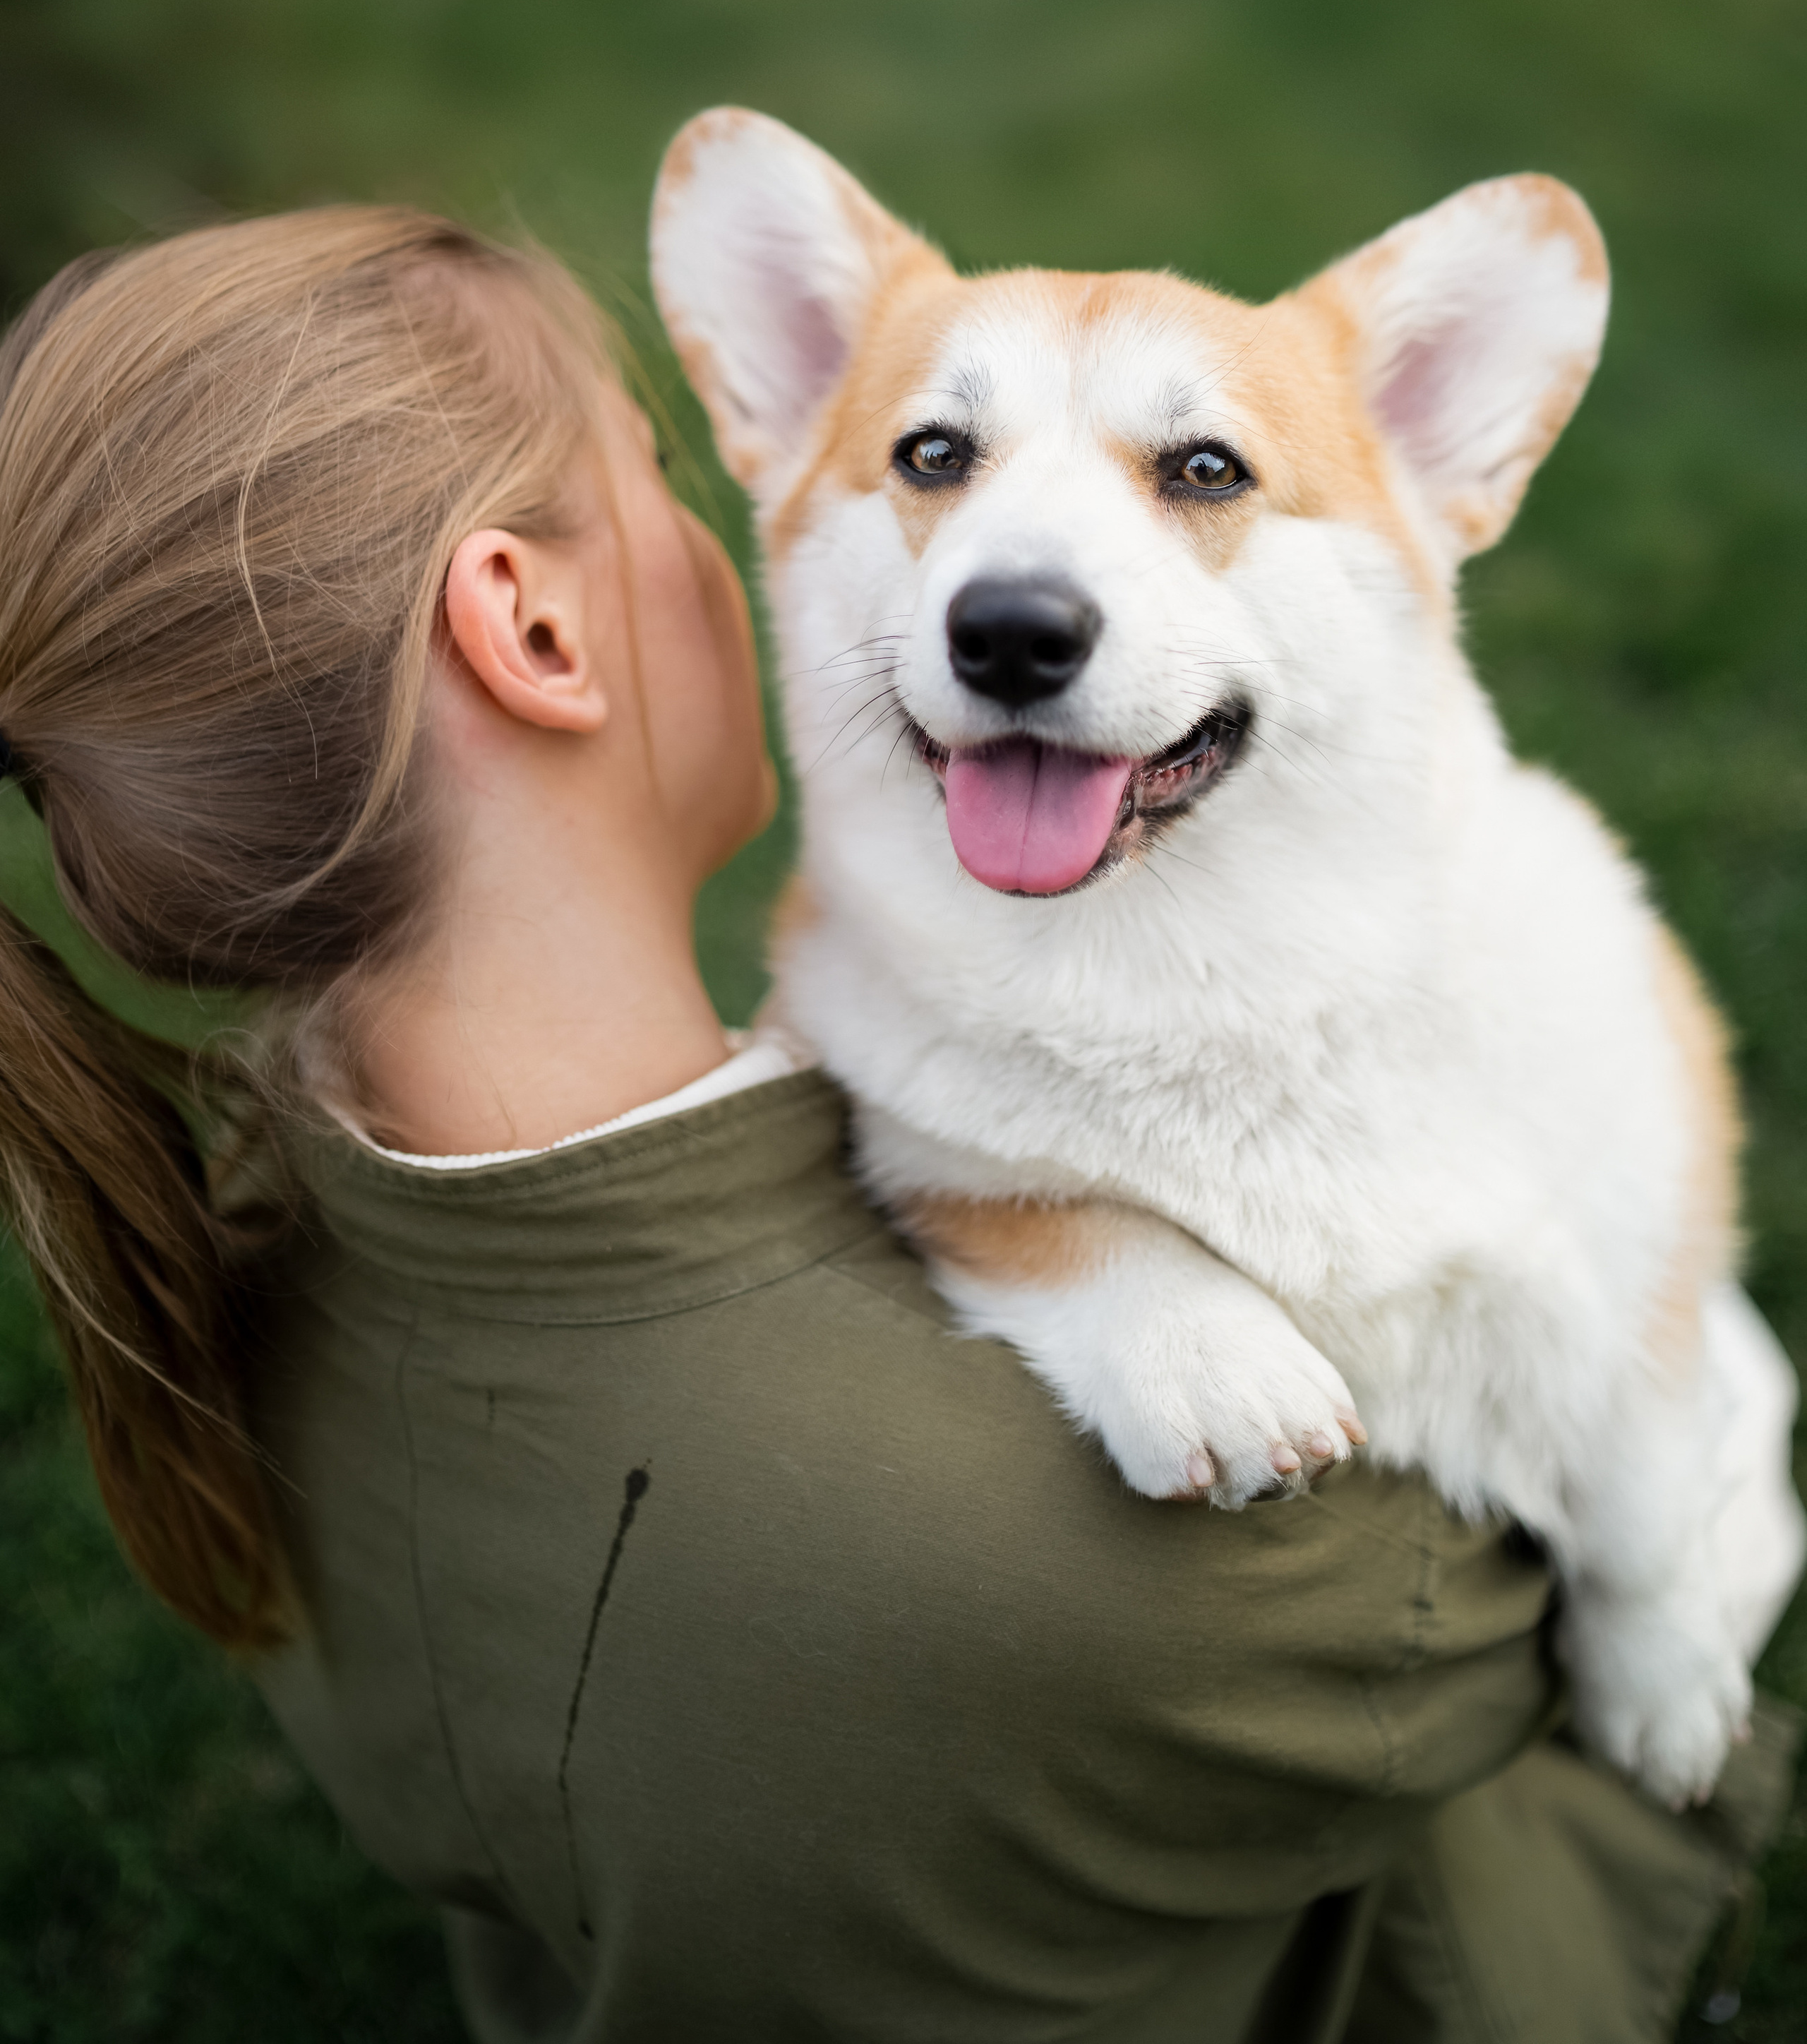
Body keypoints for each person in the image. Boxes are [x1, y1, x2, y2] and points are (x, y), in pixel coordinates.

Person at [0, 204, 1794, 2043]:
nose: (994, 578)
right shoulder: (1095, 1566)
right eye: (663, 474)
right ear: (527, 624)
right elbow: (1542, 1607)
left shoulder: (256, 1216)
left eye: (1195, 470)